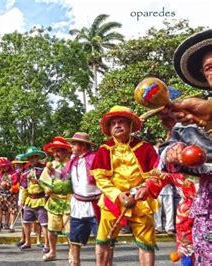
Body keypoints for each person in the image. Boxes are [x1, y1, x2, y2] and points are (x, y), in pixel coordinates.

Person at [147, 29, 212, 266]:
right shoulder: (189, 123)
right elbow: (165, 157)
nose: (211, 68)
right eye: (207, 67)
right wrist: (172, 152)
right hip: (205, 213)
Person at [91, 106, 159, 266]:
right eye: (113, 123)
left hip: (141, 201)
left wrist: (145, 188)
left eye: (121, 122)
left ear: (130, 126)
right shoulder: (104, 149)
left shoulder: (146, 148)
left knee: (146, 244)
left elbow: (157, 175)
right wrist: (117, 194)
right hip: (112, 201)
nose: (117, 125)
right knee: (103, 241)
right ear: (109, 128)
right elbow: (100, 178)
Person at [62, 133, 100, 266]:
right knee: (74, 238)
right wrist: (52, 173)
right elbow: (64, 176)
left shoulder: (96, 158)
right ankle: (75, 263)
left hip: (96, 205)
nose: (71, 147)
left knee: (102, 241)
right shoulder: (73, 160)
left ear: (83, 145)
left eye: (74, 144)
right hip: (78, 205)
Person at [39, 136, 72, 261]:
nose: (56, 153)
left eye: (59, 150)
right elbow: (43, 180)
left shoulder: (72, 164)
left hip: (70, 201)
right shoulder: (50, 166)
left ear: (66, 151)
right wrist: (46, 188)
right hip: (54, 201)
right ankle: (52, 252)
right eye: (54, 151)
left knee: (70, 230)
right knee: (52, 229)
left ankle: (72, 253)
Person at [18, 147, 48, 251]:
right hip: (29, 200)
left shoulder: (44, 169)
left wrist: (39, 182)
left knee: (44, 223)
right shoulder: (26, 171)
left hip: (41, 199)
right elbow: (24, 187)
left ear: (38, 157)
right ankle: (27, 242)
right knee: (26, 222)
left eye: (33, 157)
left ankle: (47, 244)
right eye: (29, 157)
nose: (31, 159)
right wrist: (22, 199)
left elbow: (49, 185)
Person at [0, 158, 20, 233]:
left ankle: (11, 226)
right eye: (2, 166)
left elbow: (17, 184)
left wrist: (8, 184)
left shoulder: (14, 173)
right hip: (1, 195)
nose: (3, 168)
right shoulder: (0, 174)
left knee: (12, 211)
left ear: (8, 165)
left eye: (5, 166)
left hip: (11, 195)